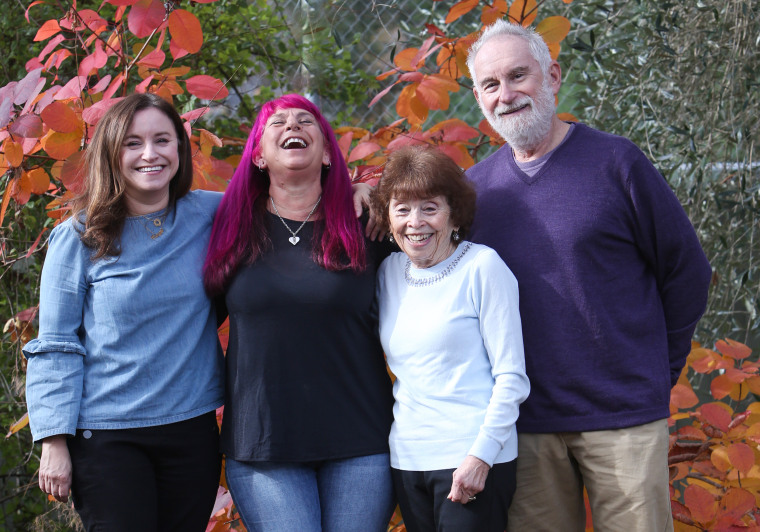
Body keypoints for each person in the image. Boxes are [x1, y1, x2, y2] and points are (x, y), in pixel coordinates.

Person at [463, 20, 712, 531]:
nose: (506, 94)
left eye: (518, 76)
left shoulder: (616, 163)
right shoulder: (475, 192)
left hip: (623, 419)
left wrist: (657, 372)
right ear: (477, 97)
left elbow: (687, 273)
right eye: (491, 84)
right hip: (524, 424)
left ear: (552, 76)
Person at [24, 93, 224, 531]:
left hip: (192, 433)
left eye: (162, 140)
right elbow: (56, 343)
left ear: (180, 149)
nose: (149, 154)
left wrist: (361, 188)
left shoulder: (212, 213)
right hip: (107, 439)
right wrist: (54, 441)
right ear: (111, 153)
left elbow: (289, 193)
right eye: (132, 143)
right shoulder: (77, 237)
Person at [203, 94, 395, 532]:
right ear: (257, 155)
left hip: (361, 440)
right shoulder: (229, 228)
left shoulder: (367, 223)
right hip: (262, 446)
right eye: (279, 122)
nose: (294, 125)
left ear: (328, 152)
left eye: (307, 121)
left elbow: (441, 221)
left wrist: (373, 191)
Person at [369, 145, 530, 532]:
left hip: (472, 459)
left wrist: (482, 456)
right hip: (407, 461)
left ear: (453, 213)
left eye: (430, 207)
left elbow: (512, 378)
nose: (415, 222)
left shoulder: (483, 267)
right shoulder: (388, 272)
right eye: (402, 209)